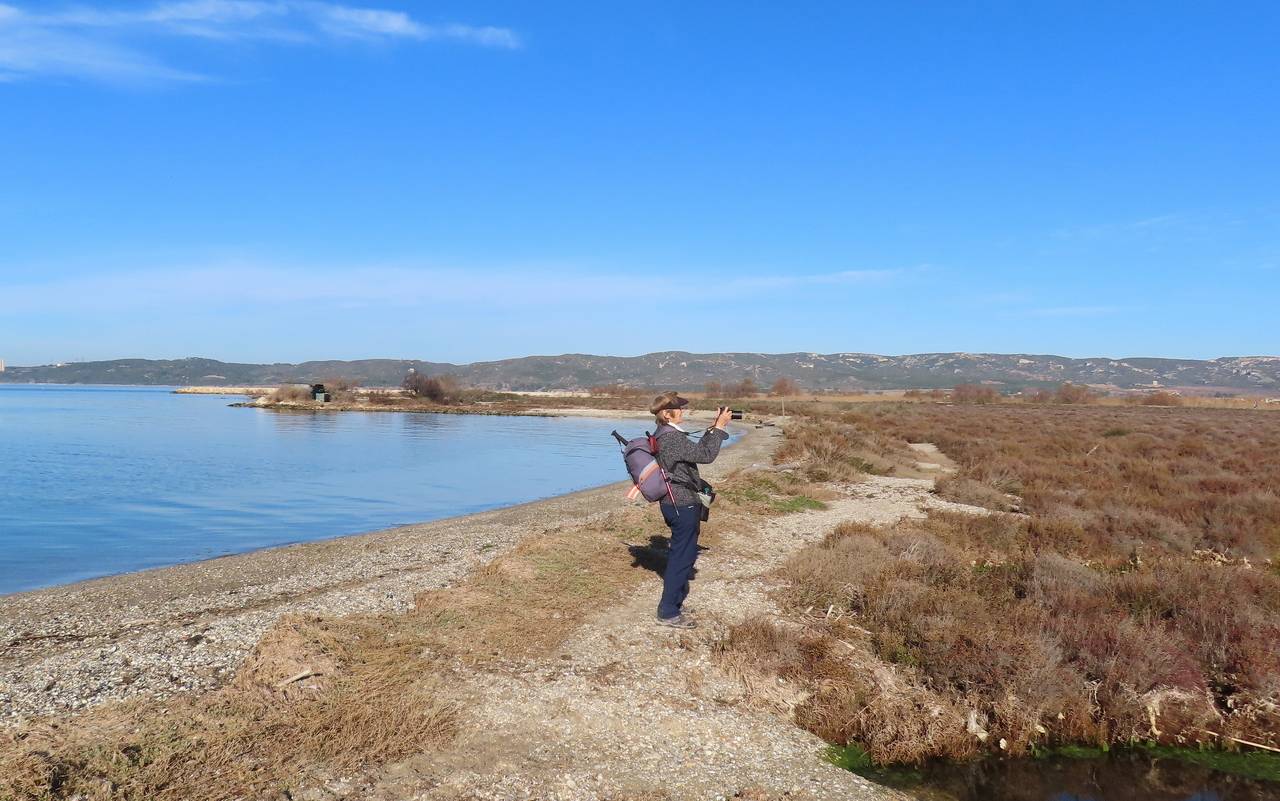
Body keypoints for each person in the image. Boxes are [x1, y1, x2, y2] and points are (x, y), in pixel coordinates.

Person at [648, 391, 733, 629]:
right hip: (681, 504)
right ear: (667, 414)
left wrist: (713, 429)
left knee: (682, 554)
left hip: (677, 502)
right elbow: (705, 455)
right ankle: (668, 612)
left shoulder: (666, 434)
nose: (683, 411)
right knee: (682, 558)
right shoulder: (672, 439)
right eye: (679, 408)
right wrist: (719, 428)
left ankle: (675, 602)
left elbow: (695, 452)